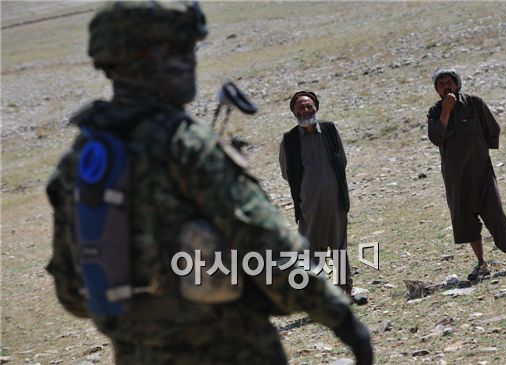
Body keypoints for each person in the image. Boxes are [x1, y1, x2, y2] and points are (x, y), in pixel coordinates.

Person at [45, 2, 374, 364]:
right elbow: (274, 252)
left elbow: (72, 291)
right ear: (152, 56)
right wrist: (342, 321)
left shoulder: (82, 159)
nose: (191, 62)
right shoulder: (187, 147)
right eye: (181, 50)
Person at [427, 67, 506, 280]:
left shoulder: (475, 103)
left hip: (481, 172)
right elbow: (436, 138)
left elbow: (492, 128)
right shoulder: (435, 112)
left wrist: (480, 153)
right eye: (441, 83)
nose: (446, 86)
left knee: (495, 212)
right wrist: (446, 111)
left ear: (457, 84)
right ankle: (481, 264)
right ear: (436, 89)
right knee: (465, 219)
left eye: (449, 81)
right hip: (456, 177)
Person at [279, 91, 367, 304]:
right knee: (312, 249)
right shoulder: (289, 140)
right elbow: (286, 173)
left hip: (335, 201)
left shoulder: (329, 130)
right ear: (294, 111)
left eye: (309, 106)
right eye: (301, 107)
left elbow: (341, 161)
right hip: (308, 205)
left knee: (339, 246)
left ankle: (344, 290)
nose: (305, 110)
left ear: (316, 107)